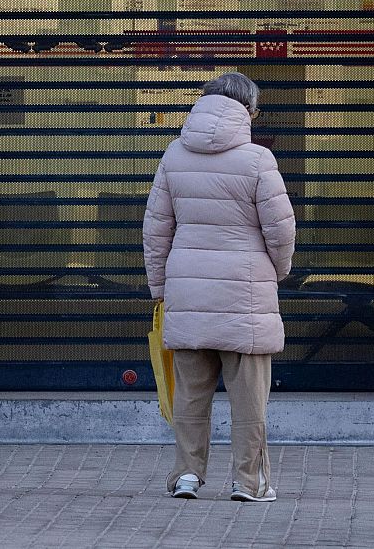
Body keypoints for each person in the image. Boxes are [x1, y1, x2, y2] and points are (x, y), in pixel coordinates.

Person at [142, 72, 295, 502]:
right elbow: (281, 231)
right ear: (249, 110)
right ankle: (249, 482)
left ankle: (187, 476)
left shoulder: (174, 156)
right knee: (250, 402)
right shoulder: (258, 160)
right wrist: (277, 272)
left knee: (190, 395)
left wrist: (160, 288)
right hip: (246, 295)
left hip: (188, 293)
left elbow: (156, 231)